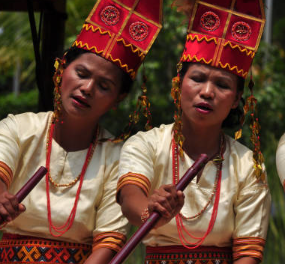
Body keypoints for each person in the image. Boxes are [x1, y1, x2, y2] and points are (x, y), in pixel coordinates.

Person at [0, 0, 163, 263]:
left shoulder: (118, 157)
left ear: (118, 98)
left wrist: (150, 212)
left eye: (104, 85)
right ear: (62, 68)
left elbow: (108, 242)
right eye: (81, 73)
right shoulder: (19, 128)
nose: (87, 88)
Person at [116, 0, 271, 263]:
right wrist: (150, 212)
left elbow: (248, 254)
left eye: (222, 84)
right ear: (179, 84)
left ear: (236, 99)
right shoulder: (146, 145)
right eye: (198, 79)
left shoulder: (248, 165)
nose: (207, 92)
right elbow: (131, 200)